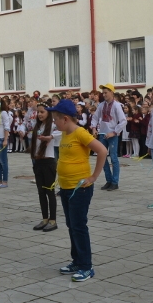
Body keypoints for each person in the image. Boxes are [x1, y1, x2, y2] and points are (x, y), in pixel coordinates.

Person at [49, 99, 107, 282]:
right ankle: (77, 260)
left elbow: (102, 151)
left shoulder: (80, 133)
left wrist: (93, 177)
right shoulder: (65, 133)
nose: (54, 123)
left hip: (80, 189)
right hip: (66, 188)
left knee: (79, 226)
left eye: (55, 119)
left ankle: (86, 266)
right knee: (71, 225)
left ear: (65, 119)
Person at [90, 84, 126, 191]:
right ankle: (108, 180)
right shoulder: (101, 105)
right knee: (102, 157)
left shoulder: (116, 105)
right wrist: (94, 128)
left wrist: (114, 132)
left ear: (112, 93)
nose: (104, 94)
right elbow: (95, 117)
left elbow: (123, 120)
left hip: (112, 134)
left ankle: (115, 182)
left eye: (106, 92)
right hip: (102, 133)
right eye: (103, 93)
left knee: (114, 158)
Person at [30, 102, 60, 232]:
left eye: (42, 112)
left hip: (49, 163)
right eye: (38, 112)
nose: (40, 114)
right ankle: (44, 218)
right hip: (38, 162)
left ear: (49, 113)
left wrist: (50, 136)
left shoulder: (53, 125)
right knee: (41, 192)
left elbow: (63, 132)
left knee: (49, 192)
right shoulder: (37, 126)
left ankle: (53, 220)